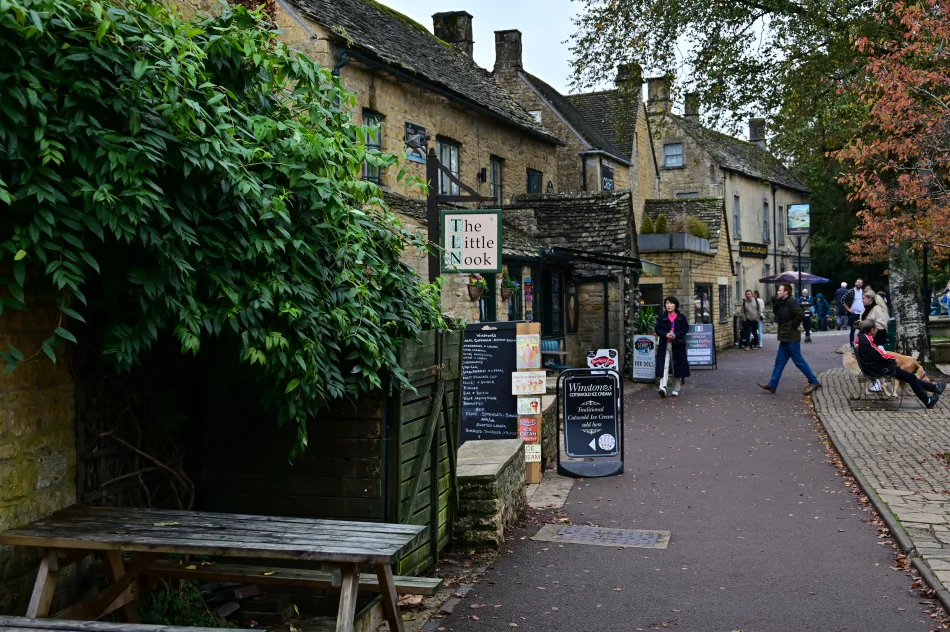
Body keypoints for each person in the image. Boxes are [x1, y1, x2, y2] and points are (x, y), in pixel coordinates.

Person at [857, 321, 944, 408]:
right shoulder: (867, 341)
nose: (877, 330)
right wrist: (894, 359)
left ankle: (935, 388)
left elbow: (878, 354)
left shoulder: (862, 337)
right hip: (879, 368)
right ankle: (928, 400)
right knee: (912, 377)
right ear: (872, 330)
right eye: (876, 328)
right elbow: (879, 356)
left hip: (875, 366)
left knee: (910, 377)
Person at [758, 283, 822, 395]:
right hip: (785, 336)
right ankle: (772, 384)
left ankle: (814, 381)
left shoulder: (791, 301)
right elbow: (779, 315)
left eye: (780, 290)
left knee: (798, 361)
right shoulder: (782, 302)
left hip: (791, 337)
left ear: (786, 292)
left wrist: (794, 325)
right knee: (779, 362)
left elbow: (800, 314)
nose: (777, 292)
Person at [655, 296, 690, 398]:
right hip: (664, 344)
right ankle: (663, 387)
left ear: (675, 305)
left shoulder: (681, 317)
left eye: (670, 303)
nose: (668, 305)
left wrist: (676, 335)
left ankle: (676, 389)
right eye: (667, 303)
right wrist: (665, 334)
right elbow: (657, 329)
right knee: (664, 365)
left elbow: (685, 329)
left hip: (677, 344)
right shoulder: (662, 317)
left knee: (677, 366)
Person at [842, 278, 865, 348]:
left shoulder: (863, 292)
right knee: (853, 329)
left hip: (862, 313)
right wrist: (848, 309)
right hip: (854, 313)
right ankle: (852, 344)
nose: (859, 284)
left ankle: (862, 343)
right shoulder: (851, 291)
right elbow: (842, 300)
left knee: (863, 329)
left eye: (860, 283)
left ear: (862, 284)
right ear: (855, 283)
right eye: (858, 282)